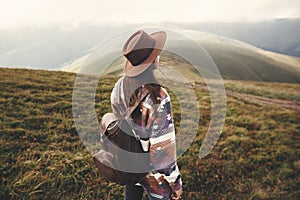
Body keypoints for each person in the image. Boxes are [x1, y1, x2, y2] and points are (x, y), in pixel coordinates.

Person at [110, 30, 183, 200]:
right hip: (154, 177)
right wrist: (175, 183)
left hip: (130, 163)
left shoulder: (119, 87)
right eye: (156, 54)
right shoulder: (158, 98)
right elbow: (162, 153)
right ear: (151, 62)